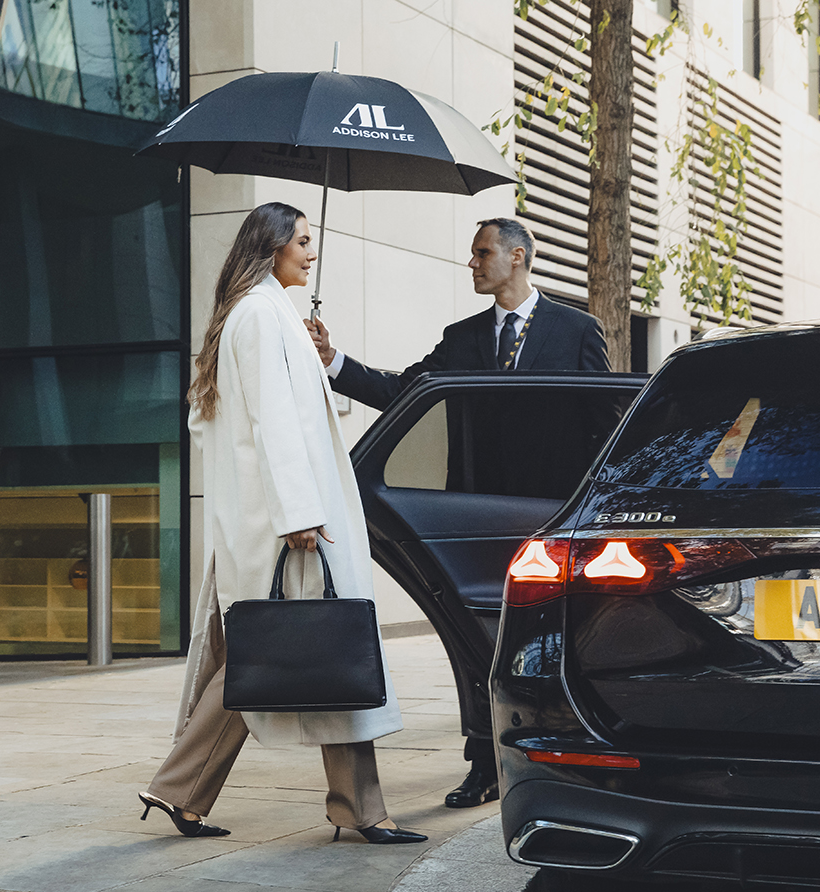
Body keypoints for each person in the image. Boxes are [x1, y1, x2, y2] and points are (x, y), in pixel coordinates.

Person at [138, 202, 425, 845]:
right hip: (291, 523)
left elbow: (289, 415)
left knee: (271, 657)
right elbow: (273, 420)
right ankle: (361, 811)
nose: (311, 251)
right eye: (301, 240)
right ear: (270, 247)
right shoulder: (262, 317)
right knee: (320, 650)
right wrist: (297, 513)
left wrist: (321, 356)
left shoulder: (263, 315)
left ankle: (182, 789)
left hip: (276, 519)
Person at [305, 217, 610, 809]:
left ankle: (560, 750)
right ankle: (485, 763)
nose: (472, 263)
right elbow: (404, 391)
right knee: (477, 641)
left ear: (518, 256)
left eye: (482, 253)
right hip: (473, 518)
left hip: (552, 517)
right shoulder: (463, 336)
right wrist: (335, 359)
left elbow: (603, 422)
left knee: (551, 641)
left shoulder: (577, 330)